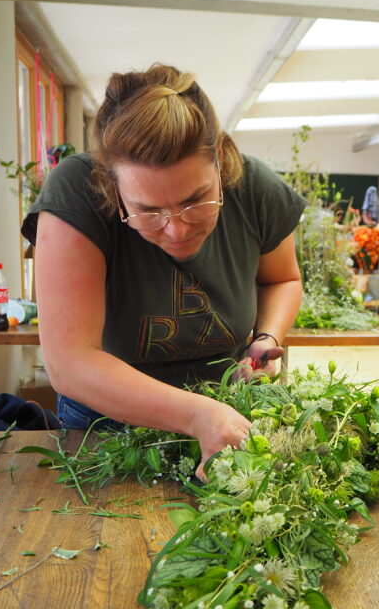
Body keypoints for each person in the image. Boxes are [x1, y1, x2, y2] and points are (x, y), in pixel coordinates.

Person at [22, 63, 306, 479]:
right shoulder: (74, 194)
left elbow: (282, 278)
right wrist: (197, 415)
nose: (176, 229)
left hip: (229, 417)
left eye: (196, 201)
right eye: (147, 211)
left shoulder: (256, 187)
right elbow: (70, 362)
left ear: (222, 162)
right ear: (112, 189)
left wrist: (266, 338)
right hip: (107, 434)